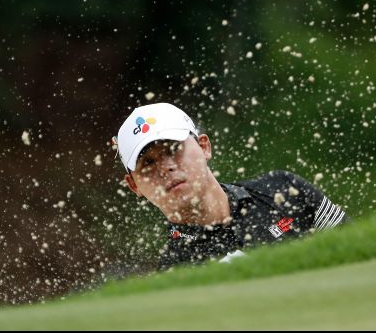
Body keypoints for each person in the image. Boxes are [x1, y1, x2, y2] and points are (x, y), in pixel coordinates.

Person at [114, 102, 348, 269]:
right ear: (134, 185)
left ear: (204, 147)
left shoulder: (284, 190)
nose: (166, 168)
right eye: (148, 162)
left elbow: (353, 251)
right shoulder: (177, 273)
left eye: (173, 149)